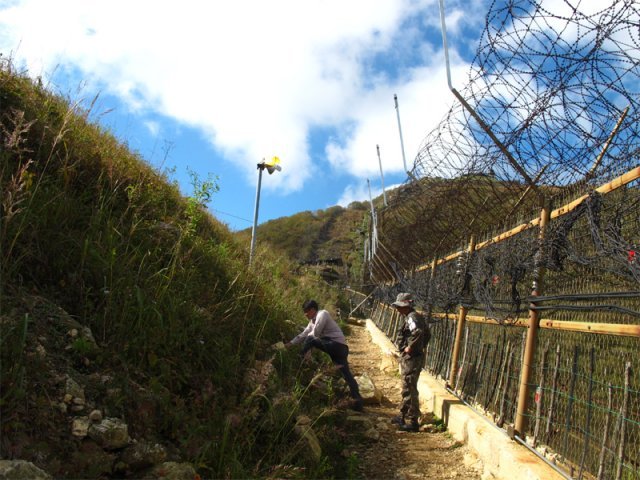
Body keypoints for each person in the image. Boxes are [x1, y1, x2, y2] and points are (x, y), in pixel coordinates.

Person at [286, 300, 364, 411]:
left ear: (313, 310)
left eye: (306, 312)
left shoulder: (323, 314)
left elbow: (314, 334)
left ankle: (300, 360)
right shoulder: (312, 322)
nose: (305, 314)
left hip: (336, 346)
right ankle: (358, 403)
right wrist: (289, 344)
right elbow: (303, 334)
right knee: (347, 375)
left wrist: (307, 350)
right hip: (339, 349)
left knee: (310, 338)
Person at [390, 292, 430, 432]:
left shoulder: (413, 317)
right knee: (407, 386)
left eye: (400, 306)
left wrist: (410, 348)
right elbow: (427, 334)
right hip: (412, 357)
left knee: (410, 387)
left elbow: (418, 333)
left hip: (412, 358)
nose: (398, 309)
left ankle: (413, 421)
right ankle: (402, 415)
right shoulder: (411, 317)